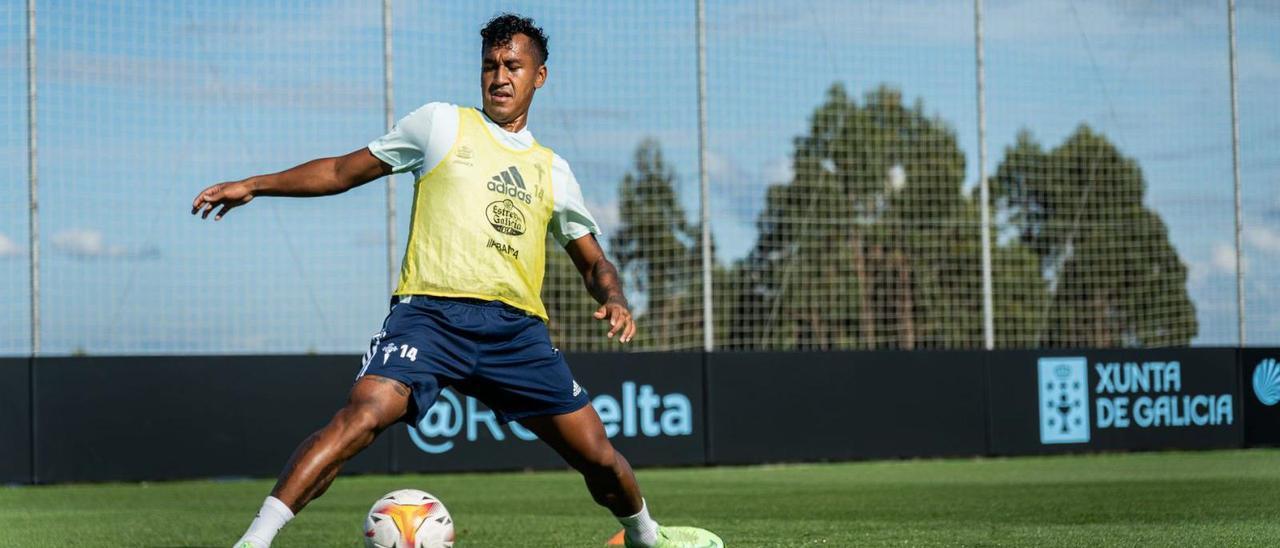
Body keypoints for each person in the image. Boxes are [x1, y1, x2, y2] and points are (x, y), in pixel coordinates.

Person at [191, 13, 721, 548]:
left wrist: (615, 297)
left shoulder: (551, 169)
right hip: (430, 317)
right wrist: (255, 185)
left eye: (513, 65)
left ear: (539, 76)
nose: (500, 76)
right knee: (364, 415)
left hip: (516, 334)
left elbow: (593, 261)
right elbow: (340, 172)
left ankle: (647, 539)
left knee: (598, 455)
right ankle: (254, 542)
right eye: (490, 65)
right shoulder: (440, 125)